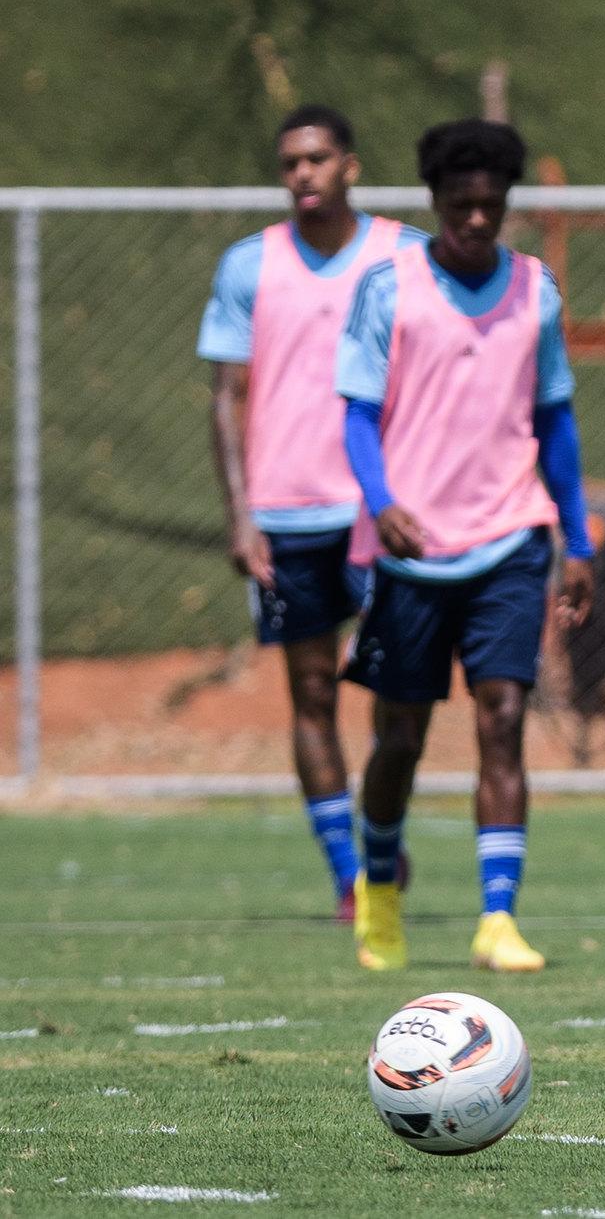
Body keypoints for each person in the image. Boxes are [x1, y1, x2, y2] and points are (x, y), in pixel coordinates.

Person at [336, 118, 595, 973]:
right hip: (412, 550)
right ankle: (379, 894)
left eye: (491, 204)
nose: (477, 219)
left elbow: (554, 421)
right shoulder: (390, 288)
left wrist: (578, 536)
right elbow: (359, 417)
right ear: (435, 201)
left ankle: (497, 920)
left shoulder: (536, 291)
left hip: (511, 538)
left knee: (505, 717)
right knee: (400, 737)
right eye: (461, 204)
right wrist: (381, 503)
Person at [197, 104, 425, 924]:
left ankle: (379, 831)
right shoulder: (248, 264)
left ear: (350, 166)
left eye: (318, 159)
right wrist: (241, 515)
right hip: (286, 516)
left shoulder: (402, 255)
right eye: (290, 161)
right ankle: (351, 875)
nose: (303, 174)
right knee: (313, 694)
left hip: (380, 513)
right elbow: (226, 401)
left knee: (399, 693)